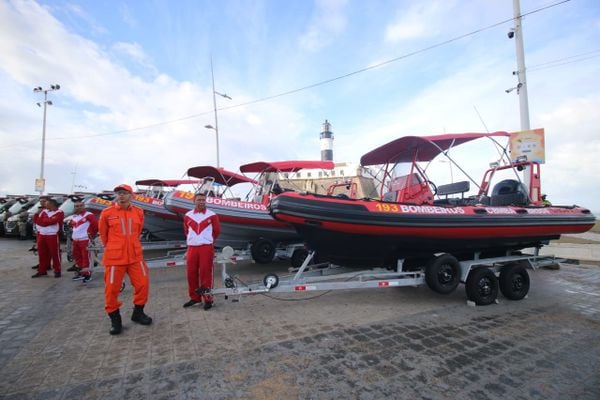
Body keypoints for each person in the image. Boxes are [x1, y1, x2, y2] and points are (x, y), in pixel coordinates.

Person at [99, 184, 152, 335]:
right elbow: (103, 235)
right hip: (115, 258)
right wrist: (115, 248)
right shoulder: (107, 213)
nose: (121, 195)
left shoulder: (139, 212)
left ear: (131, 196)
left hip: (135, 257)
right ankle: (116, 321)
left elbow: (138, 230)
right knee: (111, 290)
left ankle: (138, 313)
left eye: (124, 193)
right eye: (119, 193)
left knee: (143, 284)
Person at [182, 192, 221, 310]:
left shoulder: (212, 215)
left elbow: (217, 231)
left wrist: (207, 241)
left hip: (206, 248)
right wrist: (193, 241)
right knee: (191, 273)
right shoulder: (188, 215)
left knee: (206, 273)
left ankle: (208, 299)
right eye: (199, 200)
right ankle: (195, 298)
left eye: (203, 200)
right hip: (192, 248)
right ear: (194, 201)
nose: (201, 202)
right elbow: (186, 231)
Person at [32, 198, 64, 278]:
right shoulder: (44, 211)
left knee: (55, 253)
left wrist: (44, 221)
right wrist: (45, 220)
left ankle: (57, 270)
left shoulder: (59, 212)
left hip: (52, 235)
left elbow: (52, 221)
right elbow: (37, 220)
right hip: (42, 234)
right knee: (42, 253)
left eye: (46, 203)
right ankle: (42, 270)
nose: (44, 204)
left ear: (51, 204)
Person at [70, 200, 98, 283]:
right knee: (78, 257)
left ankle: (87, 274)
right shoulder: (74, 217)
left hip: (85, 240)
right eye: (76, 206)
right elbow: (73, 227)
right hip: (75, 240)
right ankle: (81, 272)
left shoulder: (89, 215)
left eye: (80, 205)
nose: (78, 207)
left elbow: (96, 226)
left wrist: (91, 235)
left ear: (84, 206)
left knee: (86, 257)